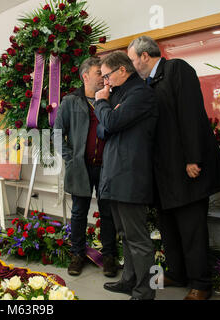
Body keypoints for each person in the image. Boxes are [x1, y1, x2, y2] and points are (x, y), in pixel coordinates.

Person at [127, 36, 220, 300]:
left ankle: (201, 284)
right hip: (163, 173)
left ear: (145, 56)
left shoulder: (177, 69)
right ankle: (177, 273)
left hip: (186, 170)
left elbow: (191, 115)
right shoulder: (146, 84)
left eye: (133, 58)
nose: (132, 64)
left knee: (191, 229)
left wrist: (193, 158)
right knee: (169, 227)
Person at [94, 51, 158, 300]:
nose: (105, 82)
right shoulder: (119, 94)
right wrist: (109, 114)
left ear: (122, 70)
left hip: (131, 176)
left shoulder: (140, 93)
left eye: (107, 75)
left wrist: (102, 103)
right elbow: (102, 130)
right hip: (115, 175)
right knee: (125, 235)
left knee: (139, 239)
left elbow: (109, 123)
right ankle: (130, 280)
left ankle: (147, 290)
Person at [54, 56, 118, 278]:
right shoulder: (70, 101)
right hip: (80, 167)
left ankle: (109, 256)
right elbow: (56, 134)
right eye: (99, 73)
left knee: (108, 212)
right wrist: (71, 159)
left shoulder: (111, 98)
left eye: (104, 73)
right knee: (79, 212)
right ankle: (77, 255)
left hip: (107, 167)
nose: (103, 77)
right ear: (85, 76)